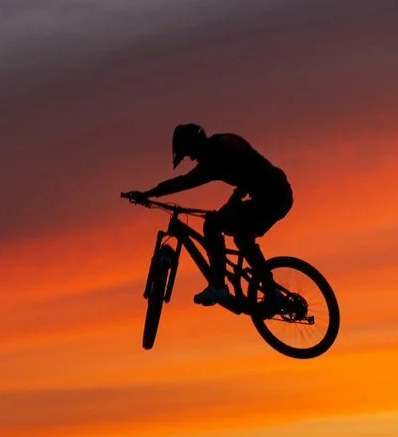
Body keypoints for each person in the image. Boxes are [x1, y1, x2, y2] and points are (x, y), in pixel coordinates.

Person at [123, 123, 293, 308]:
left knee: (213, 224)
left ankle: (220, 286)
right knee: (242, 237)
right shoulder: (213, 156)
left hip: (273, 196)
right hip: (272, 196)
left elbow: (250, 169)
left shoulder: (221, 150)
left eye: (190, 153)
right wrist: (148, 193)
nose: (193, 158)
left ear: (194, 145)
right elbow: (183, 182)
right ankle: (271, 292)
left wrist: (234, 200)